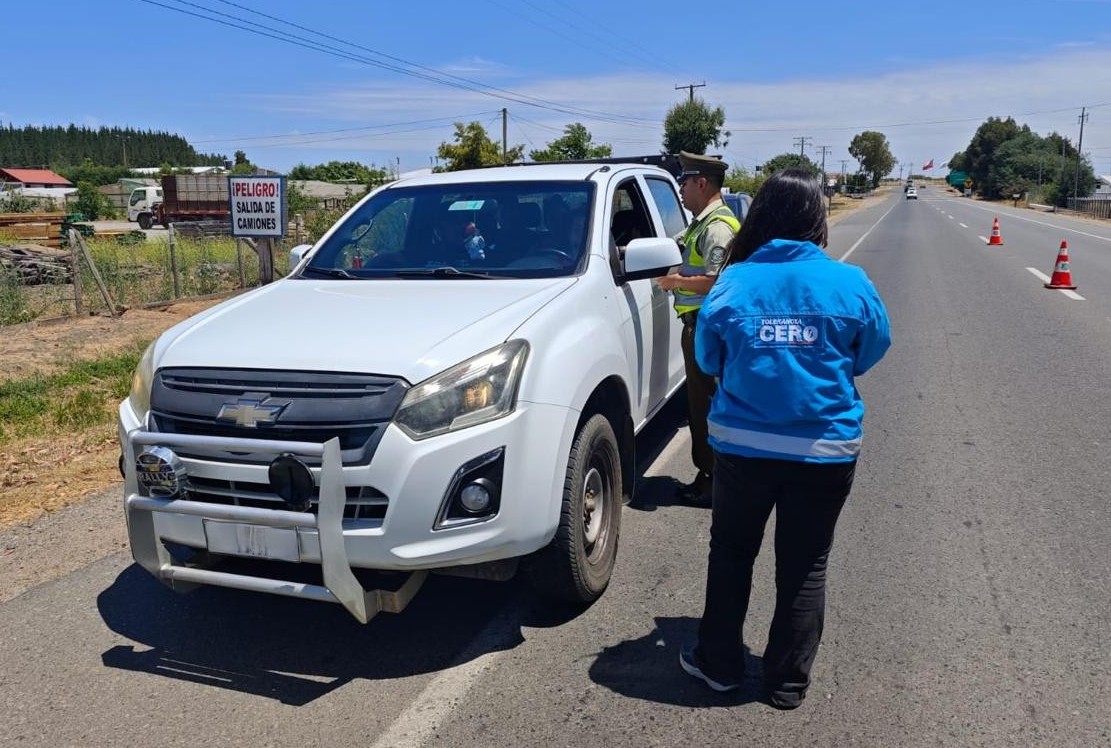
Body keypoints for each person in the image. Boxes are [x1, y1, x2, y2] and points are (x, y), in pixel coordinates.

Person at [678, 168, 891, 709]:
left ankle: (720, 666)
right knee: (805, 564)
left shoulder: (734, 283)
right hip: (825, 451)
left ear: (763, 216)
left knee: (731, 554)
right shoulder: (851, 282)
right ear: (818, 217)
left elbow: (708, 359)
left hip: (742, 451)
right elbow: (869, 352)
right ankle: (787, 682)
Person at [655, 151, 740, 507]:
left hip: (708, 328)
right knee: (703, 404)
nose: (682, 190)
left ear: (701, 183)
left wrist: (674, 281)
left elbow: (715, 280)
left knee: (704, 407)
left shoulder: (718, 226)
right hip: (705, 326)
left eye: (685, 183)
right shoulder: (704, 222)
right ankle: (713, 477)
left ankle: (711, 483)